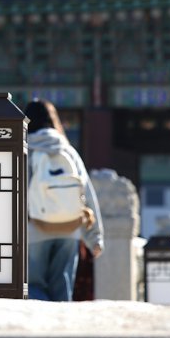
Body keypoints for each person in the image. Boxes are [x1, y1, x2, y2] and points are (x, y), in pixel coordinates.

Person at [24, 99, 103, 302]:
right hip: (70, 227)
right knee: (62, 283)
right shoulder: (68, 150)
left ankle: (38, 330)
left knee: (34, 284)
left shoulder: (26, 150)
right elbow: (86, 192)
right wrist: (95, 237)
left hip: (35, 227)